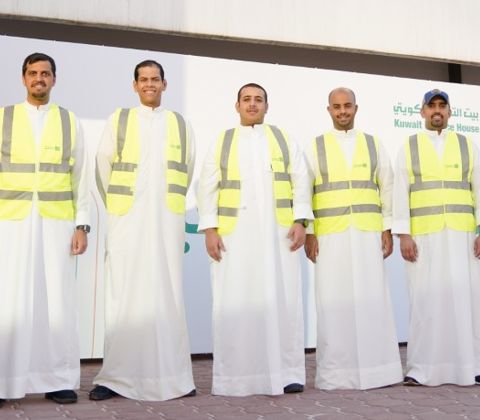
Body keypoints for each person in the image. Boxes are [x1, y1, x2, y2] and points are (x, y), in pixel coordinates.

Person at [197, 83, 312, 396]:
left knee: (283, 300)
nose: (252, 104)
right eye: (246, 99)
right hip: (234, 236)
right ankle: (234, 376)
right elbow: (207, 188)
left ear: (266, 106)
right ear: (236, 106)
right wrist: (210, 230)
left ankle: (287, 373)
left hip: (280, 234)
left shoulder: (283, 139)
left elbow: (301, 181)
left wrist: (301, 221)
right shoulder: (222, 141)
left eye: (258, 100)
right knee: (235, 301)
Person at [91, 60, 196, 401]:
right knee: (123, 294)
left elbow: (187, 168)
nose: (150, 84)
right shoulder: (119, 120)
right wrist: (123, 207)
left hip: (166, 220)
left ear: (165, 84)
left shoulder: (180, 124)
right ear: (134, 85)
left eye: (155, 79)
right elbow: (102, 167)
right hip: (127, 220)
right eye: (144, 79)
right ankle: (115, 378)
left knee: (168, 293)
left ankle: (174, 376)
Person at [0, 52, 90, 407]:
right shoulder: (4, 118)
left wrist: (82, 225)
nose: (39, 78)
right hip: (11, 221)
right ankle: (5, 381)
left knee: (58, 303)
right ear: (23, 78)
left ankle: (59, 380)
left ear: (54, 79)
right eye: (33, 72)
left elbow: (81, 177)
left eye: (45, 73)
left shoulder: (68, 121)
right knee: (9, 302)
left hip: (57, 222)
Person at [392, 89, 480, 387]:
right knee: (425, 301)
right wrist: (404, 236)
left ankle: (476, 366)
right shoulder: (409, 146)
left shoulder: (466, 145)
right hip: (423, 237)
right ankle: (420, 368)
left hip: (462, 235)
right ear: (422, 111)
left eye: (442, 106)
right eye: (431, 106)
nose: (437, 110)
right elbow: (400, 193)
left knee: (467, 298)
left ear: (450, 112)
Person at [304, 87, 402, 390]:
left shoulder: (373, 144)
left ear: (356, 109)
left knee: (372, 299)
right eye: (337, 106)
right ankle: (335, 375)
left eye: (347, 105)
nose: (342, 111)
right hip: (329, 235)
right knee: (333, 303)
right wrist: (309, 232)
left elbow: (387, 187)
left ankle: (379, 371)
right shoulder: (315, 146)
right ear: (329, 110)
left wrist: (387, 228)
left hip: (367, 232)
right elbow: (304, 192)